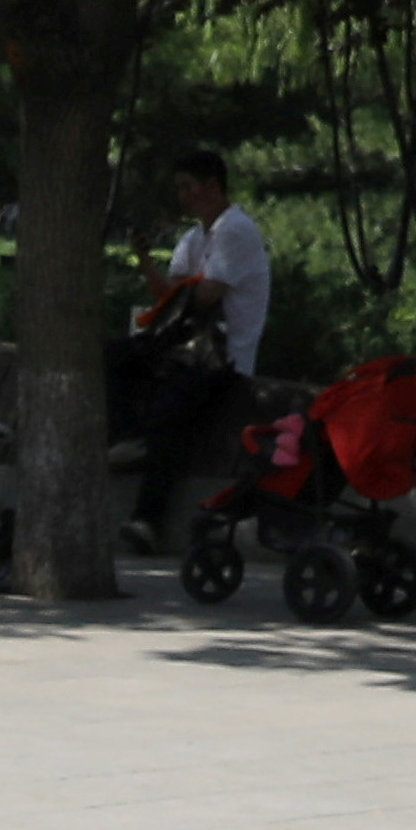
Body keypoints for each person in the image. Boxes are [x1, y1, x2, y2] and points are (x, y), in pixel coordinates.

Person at [125, 149, 273, 546]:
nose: (183, 196)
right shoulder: (196, 237)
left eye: (188, 187)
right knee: (115, 357)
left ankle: (148, 520)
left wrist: (180, 294)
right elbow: (166, 297)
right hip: (187, 347)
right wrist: (144, 259)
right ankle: (126, 437)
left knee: (171, 415)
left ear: (212, 186)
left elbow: (203, 297)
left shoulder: (234, 230)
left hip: (221, 358)